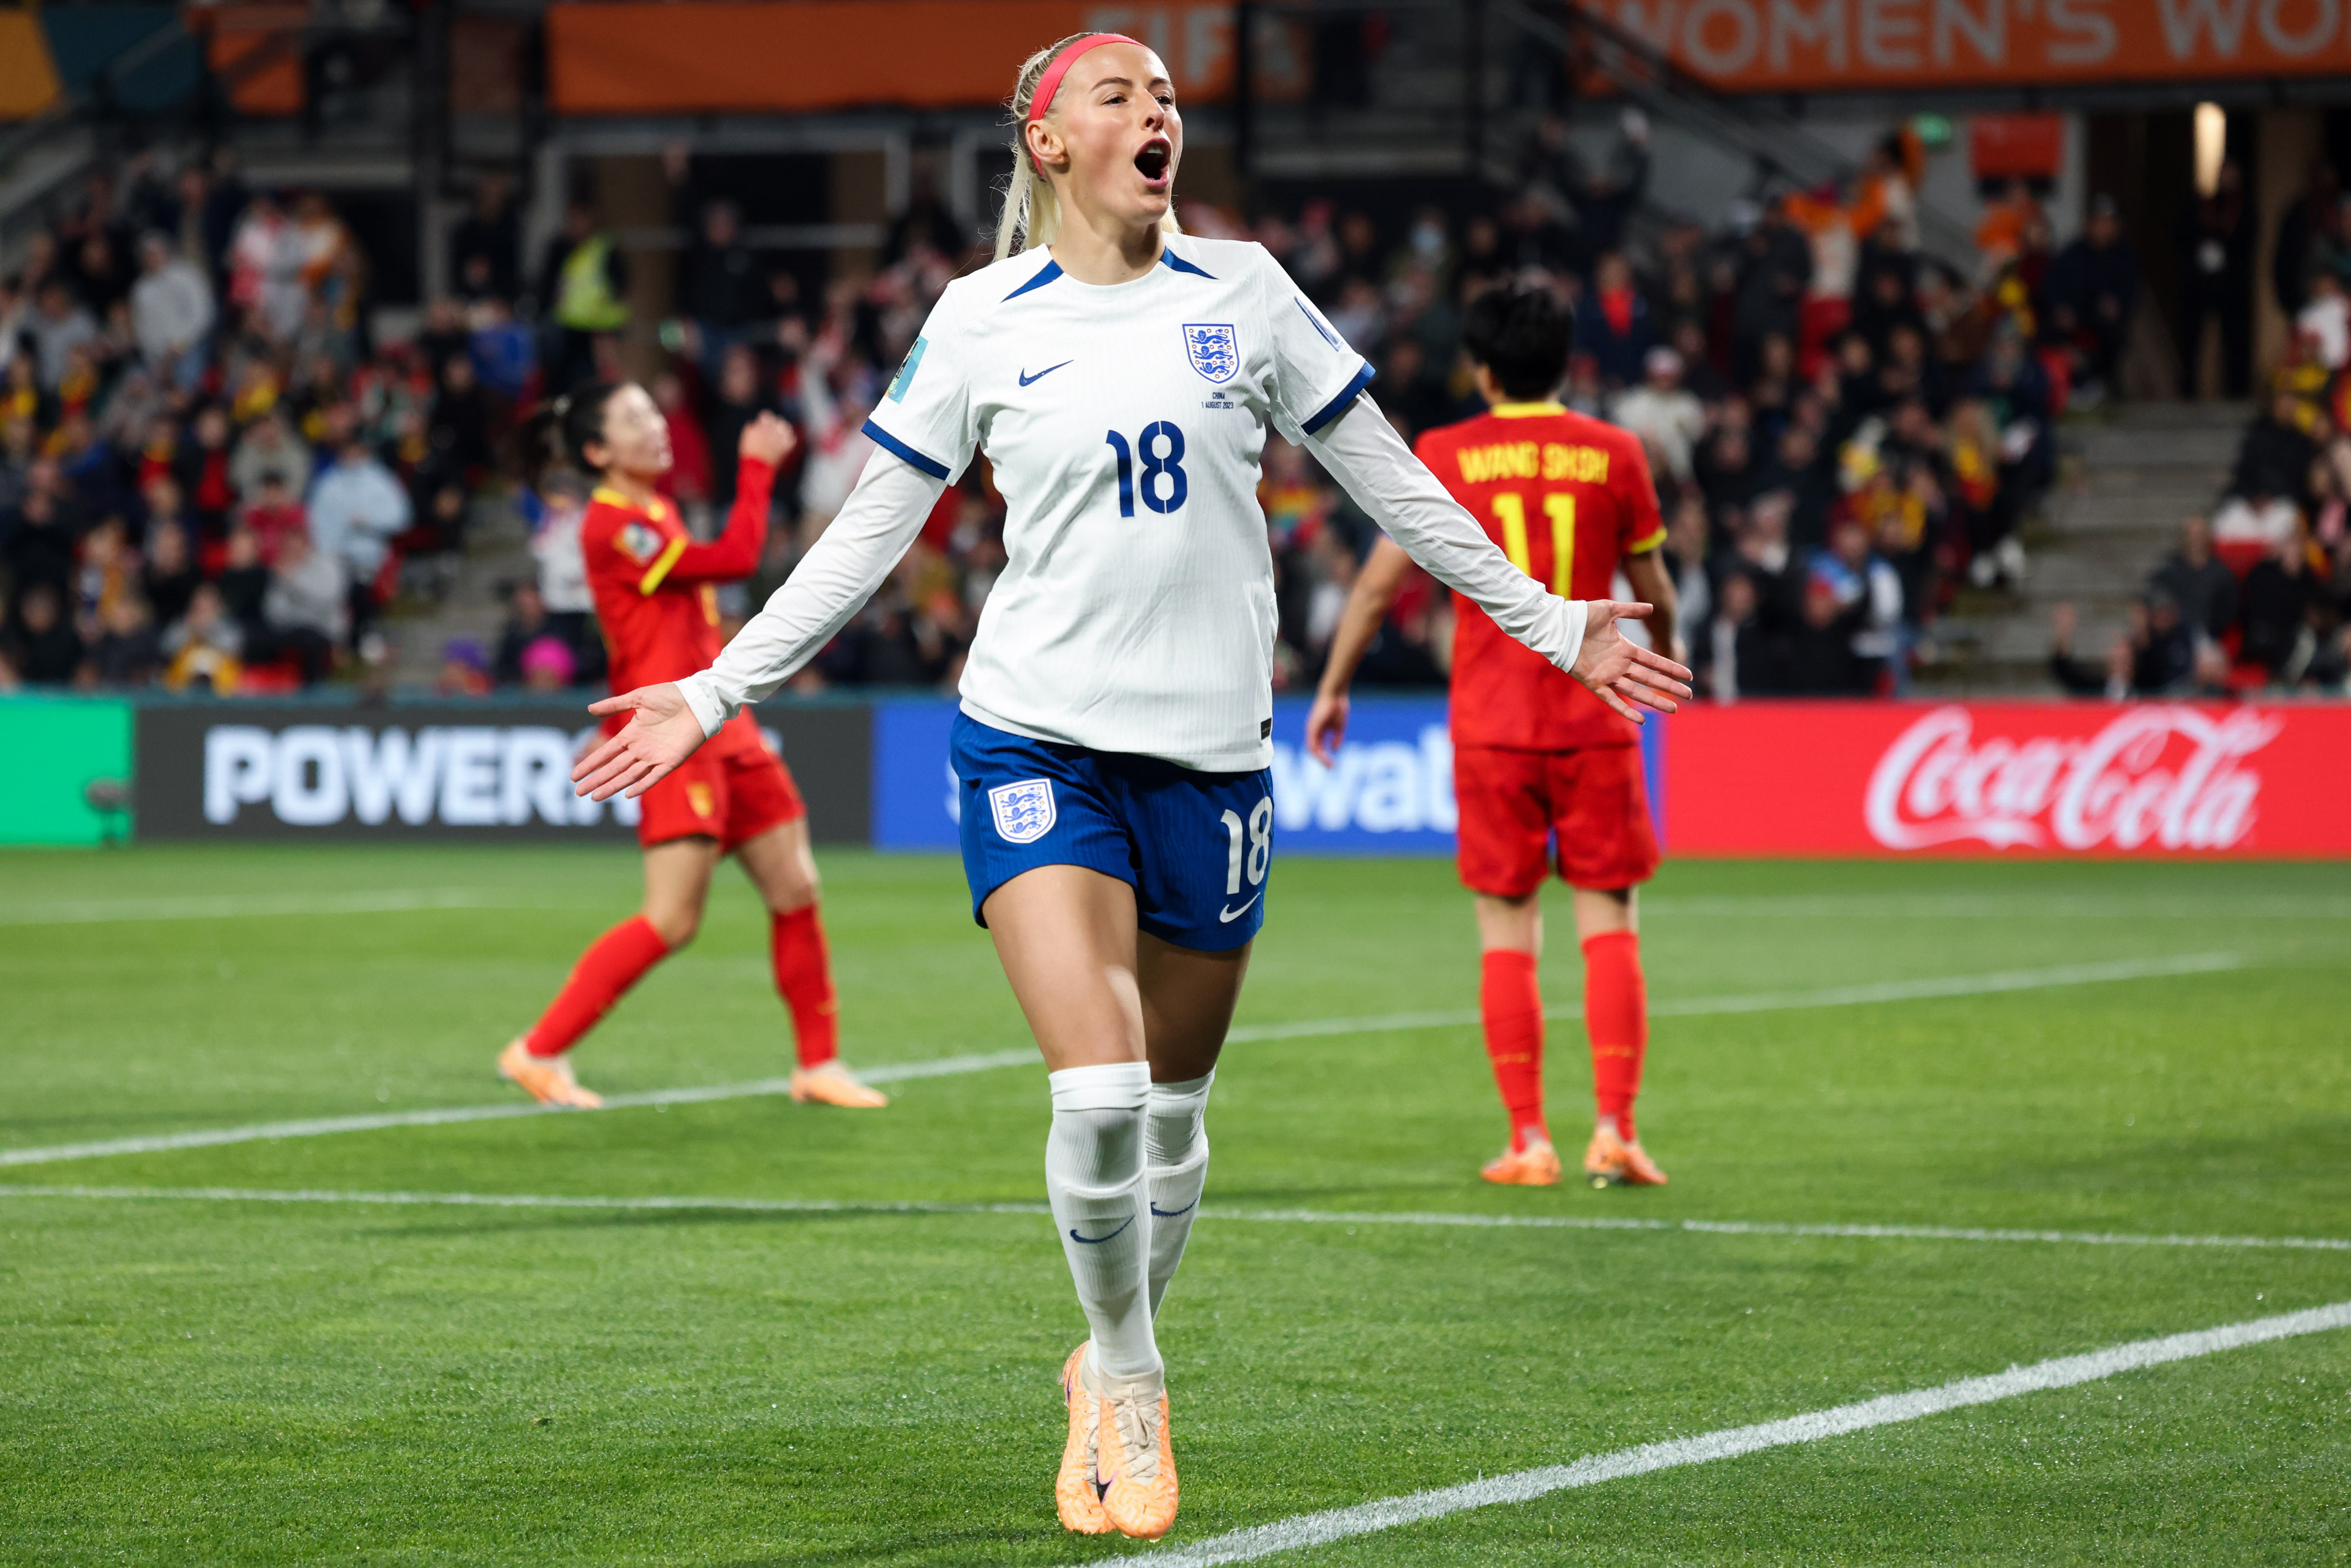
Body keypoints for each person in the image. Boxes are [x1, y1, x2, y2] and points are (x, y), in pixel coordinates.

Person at [565, 34, 1689, 1542]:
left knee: (1170, 1117)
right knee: (1093, 1091)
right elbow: (863, 535)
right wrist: (714, 690)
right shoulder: (980, 320)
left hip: (1215, 765)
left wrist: (1556, 622)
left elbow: (1397, 481)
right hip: (1034, 741)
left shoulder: (1248, 292)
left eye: (1166, 94)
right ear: (1047, 139)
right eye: (1121, 93)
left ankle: (1101, 1346)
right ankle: (1134, 1376)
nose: (1157, 113)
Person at [1305, 281, 1679, 1190]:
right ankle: (1616, 1131)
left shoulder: (1445, 451)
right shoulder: (1616, 451)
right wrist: (1659, 659)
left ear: (1481, 369)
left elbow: (1375, 589)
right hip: (1599, 715)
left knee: (1506, 930)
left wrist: (1333, 685)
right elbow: (1654, 586)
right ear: (1567, 363)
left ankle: (1528, 1141)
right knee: (1610, 923)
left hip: (1492, 725)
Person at [500, 382, 882, 1114]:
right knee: (673, 917)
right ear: (597, 452)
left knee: (796, 887)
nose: (656, 427)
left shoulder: (654, 509)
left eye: (654, 411)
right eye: (635, 419)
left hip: (719, 719)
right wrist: (758, 465)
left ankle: (817, 1064)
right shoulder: (613, 523)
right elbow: (736, 557)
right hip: (667, 733)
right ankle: (537, 1051)